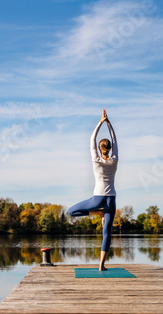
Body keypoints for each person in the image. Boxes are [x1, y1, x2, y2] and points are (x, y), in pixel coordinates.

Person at [68, 109, 118, 271]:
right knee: (107, 233)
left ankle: (98, 213)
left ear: (99, 148)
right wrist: (109, 123)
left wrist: (101, 122)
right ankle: (101, 265)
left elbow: (92, 138)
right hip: (111, 199)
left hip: (98, 198)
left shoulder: (96, 160)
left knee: (71, 212)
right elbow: (115, 140)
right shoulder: (114, 160)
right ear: (110, 148)